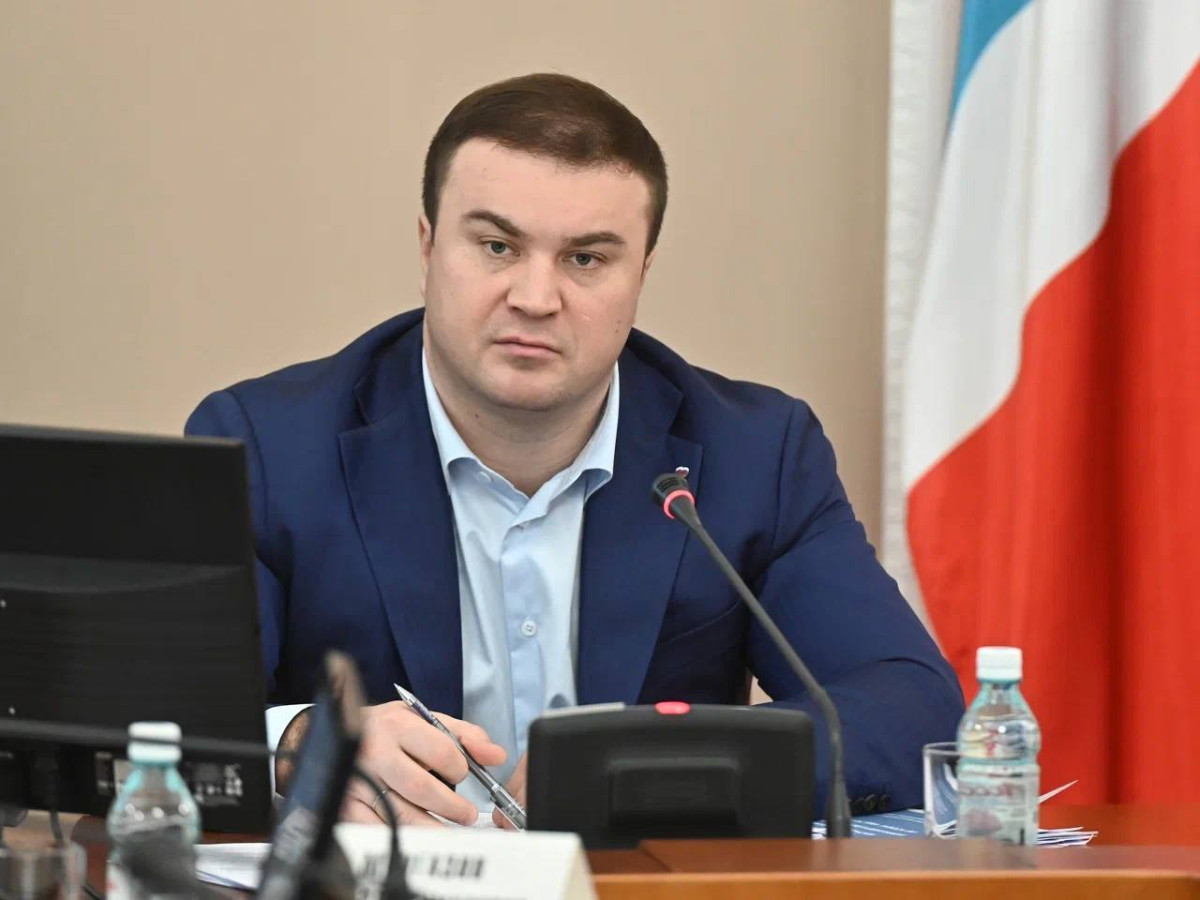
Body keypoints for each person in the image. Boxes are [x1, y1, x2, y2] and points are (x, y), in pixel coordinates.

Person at [186, 73, 963, 828]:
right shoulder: (268, 448)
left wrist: (639, 767)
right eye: (496, 246)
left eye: (585, 259)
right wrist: (298, 746)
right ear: (427, 247)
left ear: (641, 274)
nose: (535, 298)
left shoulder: (754, 455)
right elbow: (163, 721)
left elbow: (910, 708)